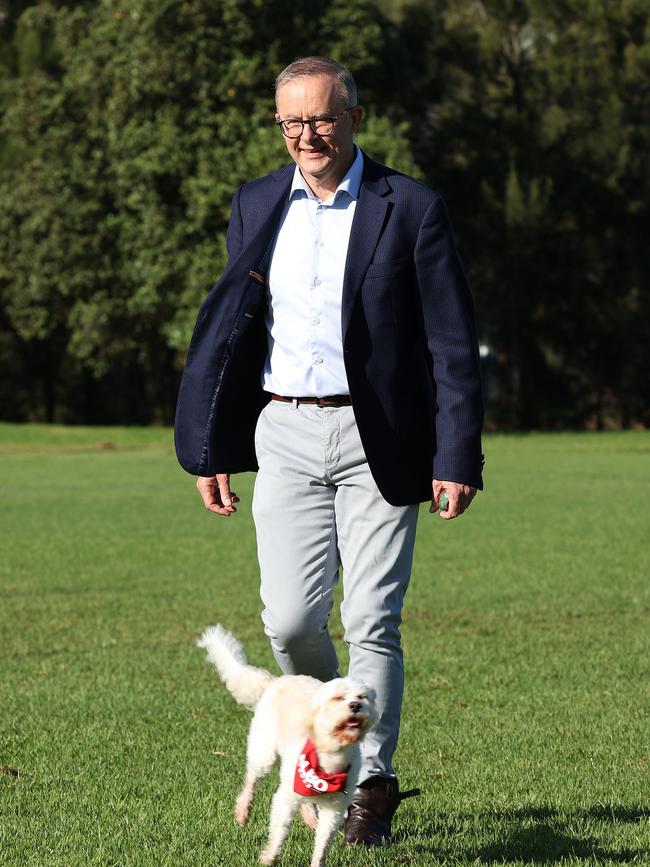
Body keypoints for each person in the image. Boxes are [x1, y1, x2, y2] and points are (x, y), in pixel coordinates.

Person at [174, 56, 484, 846]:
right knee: (289, 619)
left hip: (380, 434)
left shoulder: (410, 207)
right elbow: (232, 333)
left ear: (353, 117)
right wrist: (212, 444)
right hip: (282, 430)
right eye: (291, 122)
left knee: (371, 615)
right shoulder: (256, 204)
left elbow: (450, 340)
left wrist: (457, 453)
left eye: (320, 119)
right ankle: (326, 727)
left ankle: (370, 778)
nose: (306, 135)